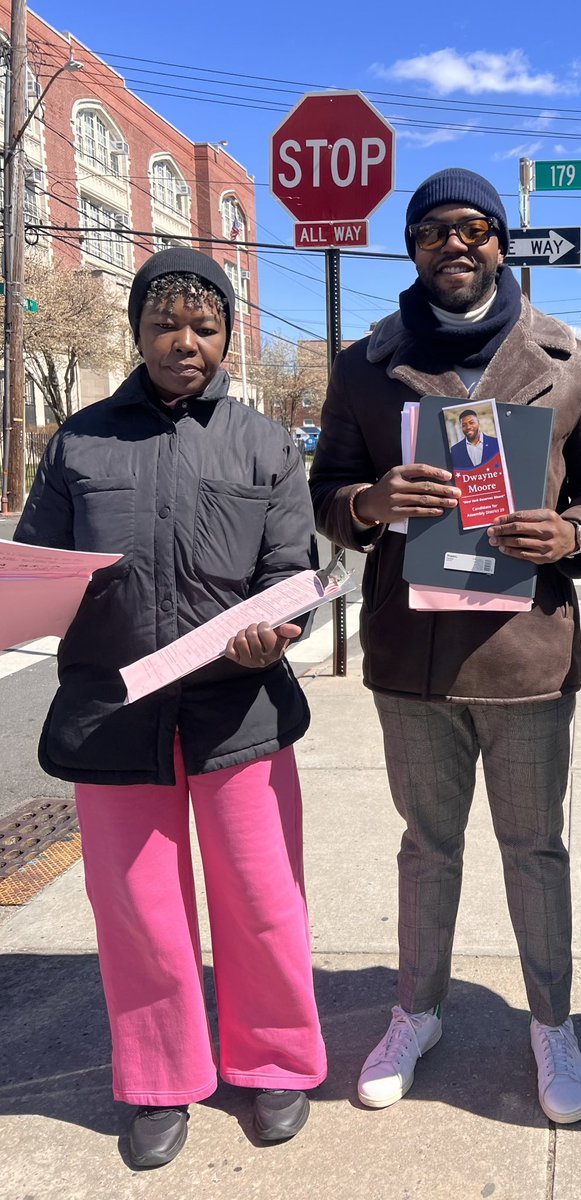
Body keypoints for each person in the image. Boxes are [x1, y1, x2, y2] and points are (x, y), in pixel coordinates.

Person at [309, 168, 581, 1124]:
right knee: (426, 848)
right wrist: (370, 504)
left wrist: (573, 533)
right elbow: (328, 489)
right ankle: (417, 1011)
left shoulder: (569, 358)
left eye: (473, 229)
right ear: (410, 249)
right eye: (431, 232)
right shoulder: (363, 365)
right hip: (412, 657)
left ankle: (551, 1022)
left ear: (501, 241)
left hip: (525, 654)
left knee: (535, 848)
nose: (453, 245)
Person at [14, 247, 326, 1167]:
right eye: (164, 325)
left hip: (241, 714)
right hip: (114, 714)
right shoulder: (78, 442)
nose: (183, 342)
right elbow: (40, 565)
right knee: (140, 913)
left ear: (226, 335)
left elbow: (289, 574)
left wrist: (282, 628)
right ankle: (159, 1078)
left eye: (203, 326)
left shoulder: (264, 444)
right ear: (136, 331)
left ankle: (273, 1062)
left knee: (263, 902)